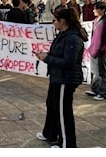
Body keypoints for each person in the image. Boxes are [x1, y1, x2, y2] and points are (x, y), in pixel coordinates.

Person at [35, 8, 88, 148]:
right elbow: (58, 55)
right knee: (52, 105)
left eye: (54, 20)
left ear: (62, 21)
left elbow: (68, 62)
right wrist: (45, 56)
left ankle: (67, 144)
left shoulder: (72, 38)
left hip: (66, 79)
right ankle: (50, 133)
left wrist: (47, 58)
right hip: (57, 76)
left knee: (63, 111)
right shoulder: (64, 34)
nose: (53, 23)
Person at [85, 1, 106, 101]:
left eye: (96, 9)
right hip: (94, 49)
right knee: (95, 71)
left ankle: (103, 92)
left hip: (102, 52)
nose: (93, 10)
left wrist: (103, 49)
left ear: (102, 10)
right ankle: (95, 89)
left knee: (103, 73)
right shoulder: (96, 20)